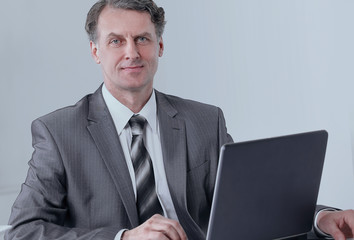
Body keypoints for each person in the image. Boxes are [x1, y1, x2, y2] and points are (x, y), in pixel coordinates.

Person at [5, 0, 354, 239]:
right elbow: (24, 230)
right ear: (95, 51)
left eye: (142, 38)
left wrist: (322, 218)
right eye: (116, 41)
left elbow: (250, 204)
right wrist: (124, 237)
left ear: (159, 46)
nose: (132, 52)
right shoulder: (59, 132)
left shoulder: (204, 120)